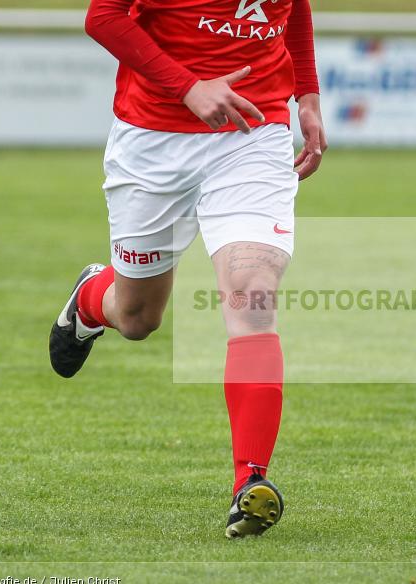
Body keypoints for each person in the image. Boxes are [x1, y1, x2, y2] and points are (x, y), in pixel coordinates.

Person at [48, 0, 327, 539]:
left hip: (253, 130)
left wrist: (308, 96)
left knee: (253, 295)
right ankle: (90, 299)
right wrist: (188, 86)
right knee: (136, 318)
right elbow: (102, 16)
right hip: (154, 137)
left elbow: (294, 8)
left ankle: (250, 483)